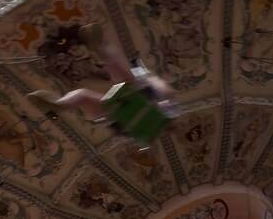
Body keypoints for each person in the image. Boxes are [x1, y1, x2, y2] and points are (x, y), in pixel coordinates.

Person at [28, 23, 178, 139]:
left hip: (120, 110)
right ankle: (61, 104)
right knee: (97, 88)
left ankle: (61, 104)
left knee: (119, 77)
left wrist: (151, 80)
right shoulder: (160, 117)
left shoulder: (160, 116)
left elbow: (164, 90)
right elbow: (164, 91)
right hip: (119, 108)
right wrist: (152, 81)